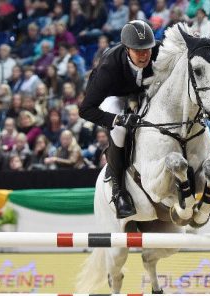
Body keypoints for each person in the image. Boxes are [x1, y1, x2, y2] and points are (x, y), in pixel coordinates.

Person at [79, 20, 159, 218]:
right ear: (126, 49)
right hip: (113, 95)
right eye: (138, 51)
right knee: (121, 131)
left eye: (147, 49)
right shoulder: (109, 68)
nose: (144, 55)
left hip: (144, 90)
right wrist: (118, 119)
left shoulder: (158, 52)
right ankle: (119, 190)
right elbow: (85, 110)